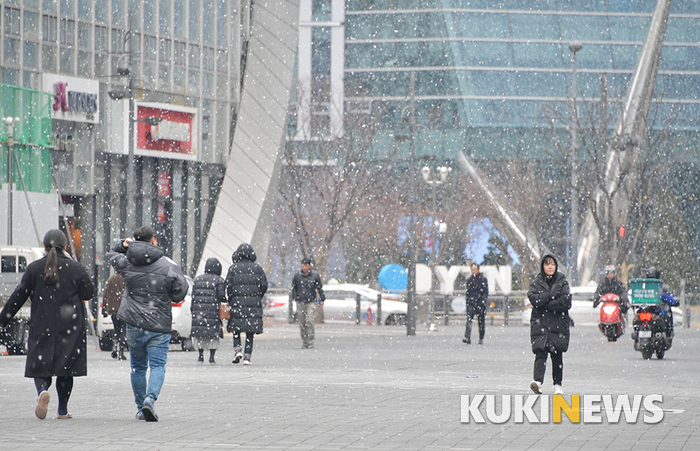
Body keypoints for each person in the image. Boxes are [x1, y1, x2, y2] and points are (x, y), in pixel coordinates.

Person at [0, 229, 95, 420]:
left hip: (42, 323)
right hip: (70, 326)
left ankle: (42, 391)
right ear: (65, 246)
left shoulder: (34, 268)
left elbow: (19, 296)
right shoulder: (76, 268)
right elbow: (88, 293)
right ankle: (62, 410)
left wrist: (2, 320)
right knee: (65, 369)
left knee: (40, 365)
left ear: (44, 247)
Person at [107, 225, 187, 422]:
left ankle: (140, 407)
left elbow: (111, 254)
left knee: (137, 367)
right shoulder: (167, 264)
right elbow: (181, 290)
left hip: (134, 324)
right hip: (159, 325)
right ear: (153, 241)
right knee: (158, 365)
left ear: (134, 241)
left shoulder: (127, 262)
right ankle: (150, 399)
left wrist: (122, 245)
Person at [527, 254, 572, 395]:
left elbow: (566, 302)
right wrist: (551, 295)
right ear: (543, 266)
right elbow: (534, 299)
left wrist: (545, 303)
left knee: (556, 354)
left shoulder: (562, 281)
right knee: (540, 352)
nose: (550, 267)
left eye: (552, 264)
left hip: (558, 323)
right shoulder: (536, 282)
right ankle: (537, 382)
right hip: (541, 324)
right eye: (547, 264)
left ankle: (558, 385)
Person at [225, 244, 268, 365]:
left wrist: (231, 296)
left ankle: (237, 349)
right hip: (253, 304)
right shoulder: (257, 269)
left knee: (236, 329)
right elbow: (264, 285)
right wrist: (257, 295)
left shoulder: (233, 268)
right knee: (250, 332)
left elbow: (228, 285)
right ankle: (247, 357)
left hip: (237, 303)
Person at [191, 257, 226, 364]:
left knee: (200, 334)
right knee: (213, 335)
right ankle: (212, 357)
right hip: (213, 311)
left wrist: (192, 309)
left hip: (198, 311)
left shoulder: (197, 279)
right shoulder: (219, 280)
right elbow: (221, 296)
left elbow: (193, 296)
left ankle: (200, 356)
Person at [291, 257, 325, 349]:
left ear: (309, 266)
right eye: (303, 265)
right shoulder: (297, 276)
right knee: (302, 323)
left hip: (310, 301)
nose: (304, 267)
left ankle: (310, 341)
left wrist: (322, 299)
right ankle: (305, 341)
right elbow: (294, 287)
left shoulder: (314, 276)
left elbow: (319, 288)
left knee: (310, 320)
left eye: (306, 265)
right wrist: (294, 298)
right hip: (300, 301)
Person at [102, 273, 127, 360]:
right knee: (123, 329)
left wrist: (104, 309)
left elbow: (105, 295)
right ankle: (121, 350)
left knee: (116, 328)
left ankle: (115, 348)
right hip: (124, 309)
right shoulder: (126, 279)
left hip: (113, 310)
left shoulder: (110, 279)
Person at [463, 263, 489, 345]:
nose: (473, 271)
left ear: (478, 270)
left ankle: (481, 337)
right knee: (469, 320)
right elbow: (468, 293)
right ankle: (467, 337)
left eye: (474, 269)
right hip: (471, 303)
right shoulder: (469, 280)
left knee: (481, 322)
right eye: (472, 269)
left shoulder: (483, 280)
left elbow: (485, 292)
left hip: (480, 303)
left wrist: (483, 300)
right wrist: (468, 302)